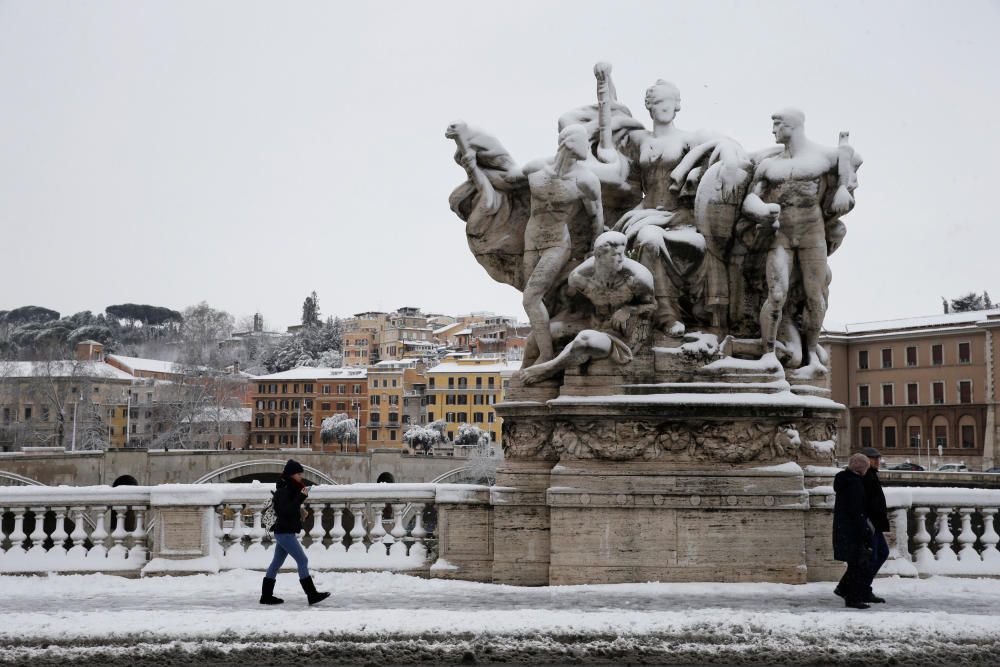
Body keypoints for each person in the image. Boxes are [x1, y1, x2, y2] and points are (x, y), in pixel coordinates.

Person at [259, 459, 330, 606]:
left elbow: (289, 509)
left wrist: (300, 511)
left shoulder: (288, 488)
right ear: (291, 474)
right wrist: (301, 497)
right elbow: (286, 510)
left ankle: (266, 596)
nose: (301, 476)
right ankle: (312, 595)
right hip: (284, 532)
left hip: (284, 531)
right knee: (302, 560)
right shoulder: (285, 489)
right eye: (298, 473)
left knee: (276, 563)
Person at [832, 452, 874, 609]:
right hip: (852, 530)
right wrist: (865, 530)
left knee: (854, 564)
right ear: (862, 469)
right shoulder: (855, 483)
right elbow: (857, 511)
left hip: (843, 528)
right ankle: (851, 597)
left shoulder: (844, 480)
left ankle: (843, 589)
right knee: (858, 564)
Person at [859, 446, 889, 603]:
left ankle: (863, 588)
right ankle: (862, 589)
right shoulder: (866, 477)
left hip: (874, 524)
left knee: (880, 554)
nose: (877, 460)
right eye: (874, 458)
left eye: (878, 458)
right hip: (870, 525)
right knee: (875, 556)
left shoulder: (871, 475)